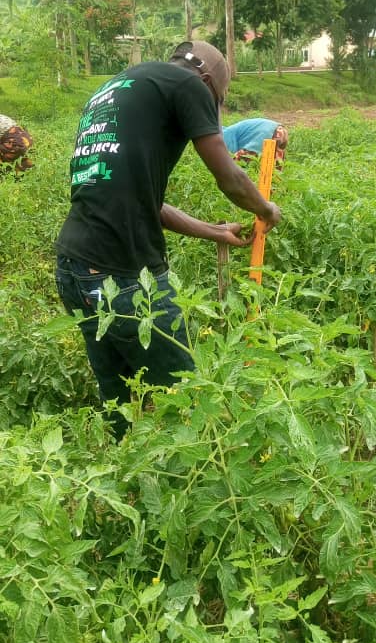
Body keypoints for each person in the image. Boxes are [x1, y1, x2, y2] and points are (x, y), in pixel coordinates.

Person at [55, 40, 281, 439]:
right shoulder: (187, 84)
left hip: (75, 271)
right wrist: (265, 210)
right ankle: (208, 481)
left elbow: (147, 202)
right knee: (192, 395)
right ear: (207, 81)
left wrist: (215, 231)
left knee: (122, 404)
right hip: (124, 275)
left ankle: (129, 484)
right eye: (218, 102)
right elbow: (230, 177)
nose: (213, 111)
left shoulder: (117, 88)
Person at [222, 117, 288, 165]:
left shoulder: (276, 129)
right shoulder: (265, 135)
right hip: (228, 140)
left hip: (232, 135)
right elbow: (241, 157)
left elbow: (279, 161)